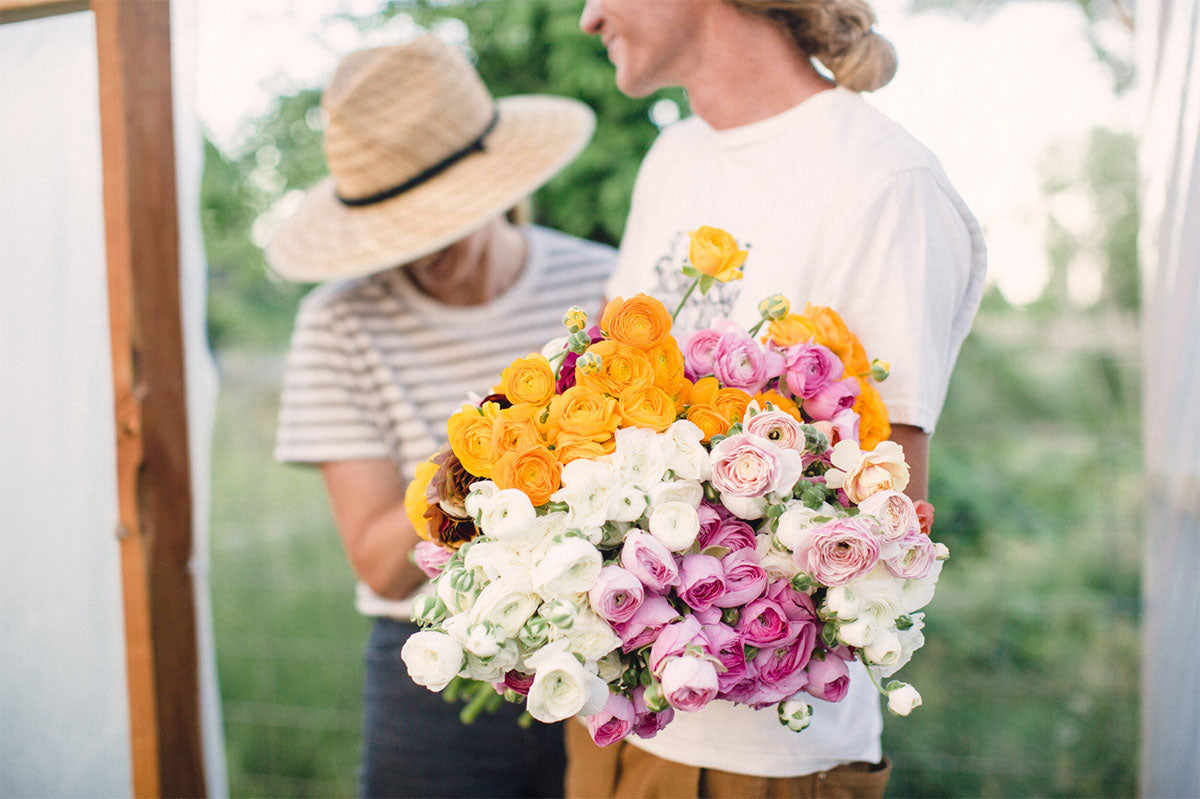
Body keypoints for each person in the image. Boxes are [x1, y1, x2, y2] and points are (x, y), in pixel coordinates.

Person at [571, 0, 987, 797]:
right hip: (609, 723)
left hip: (762, 762)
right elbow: (603, 393)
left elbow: (880, 522)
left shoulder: (884, 181)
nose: (590, 17)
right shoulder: (673, 156)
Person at [266, 36, 615, 798]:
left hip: (607, 651)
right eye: (397, 225)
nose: (421, 251)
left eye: (436, 219)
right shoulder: (339, 323)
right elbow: (381, 560)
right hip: (436, 674)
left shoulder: (600, 285)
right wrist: (493, 438)